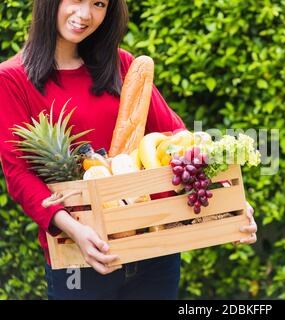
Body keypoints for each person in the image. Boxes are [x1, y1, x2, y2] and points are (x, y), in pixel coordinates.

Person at [0, 0, 257, 300]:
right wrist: (75, 230)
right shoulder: (12, 79)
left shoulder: (122, 65)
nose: (85, 15)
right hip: (81, 254)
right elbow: (19, 174)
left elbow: (177, 137)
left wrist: (229, 200)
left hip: (154, 249)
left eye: (98, 3)